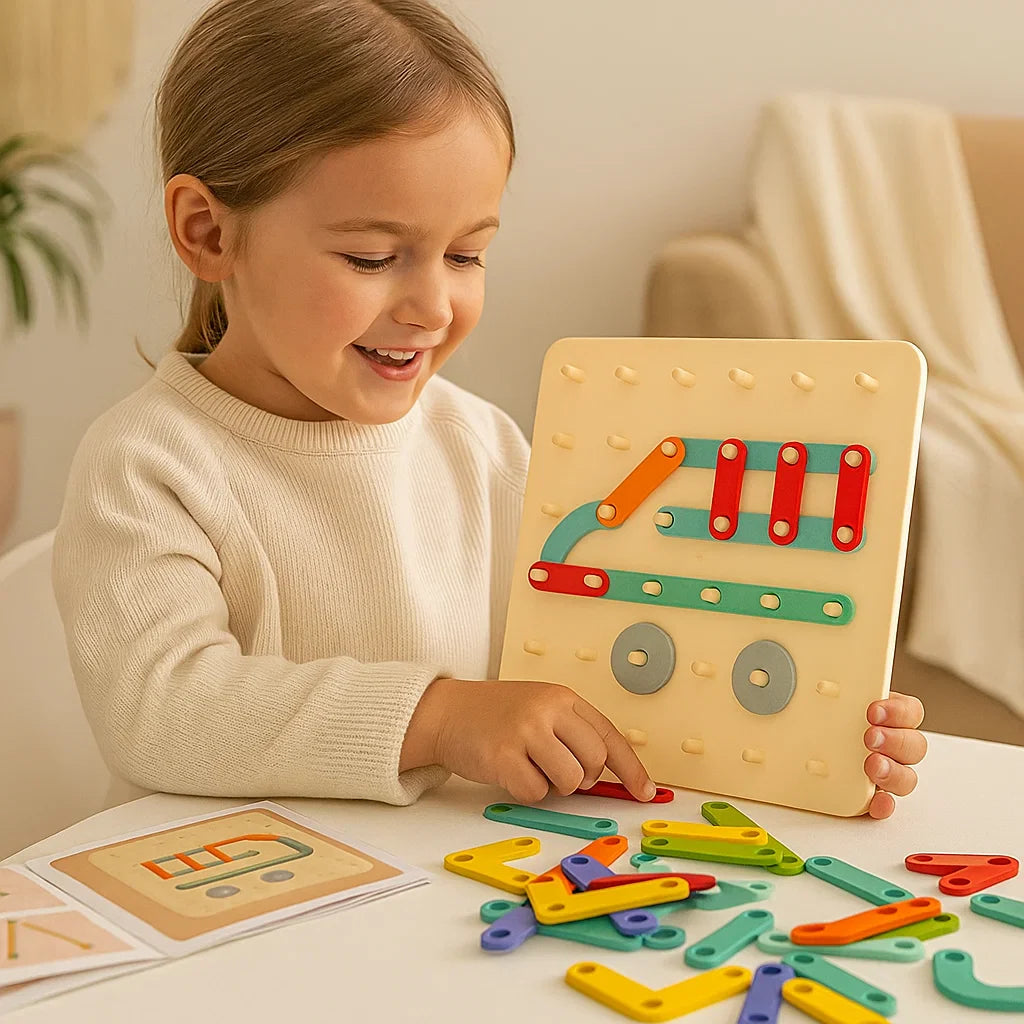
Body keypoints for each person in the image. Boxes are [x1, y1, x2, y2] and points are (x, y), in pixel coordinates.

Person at [52, 0, 926, 819]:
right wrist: (435, 718)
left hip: (446, 903)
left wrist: (803, 735)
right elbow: (163, 709)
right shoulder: (146, 464)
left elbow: (593, 675)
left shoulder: (481, 446)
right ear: (208, 232)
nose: (433, 306)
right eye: (370, 257)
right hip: (227, 917)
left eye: (467, 256)